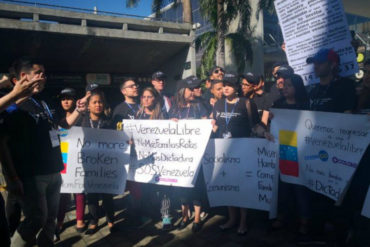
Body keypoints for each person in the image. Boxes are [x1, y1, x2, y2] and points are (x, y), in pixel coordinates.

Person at [0, 57, 85, 247]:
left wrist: (79, 111)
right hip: (32, 175)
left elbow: (60, 126)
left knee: (50, 219)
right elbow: (3, 143)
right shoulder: (11, 105)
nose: (43, 77)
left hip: (54, 170)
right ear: (23, 77)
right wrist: (11, 178)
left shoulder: (42, 101)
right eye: (38, 73)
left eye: (44, 74)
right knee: (35, 219)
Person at [212, 73, 264, 235]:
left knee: (242, 186)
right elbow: (214, 126)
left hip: (243, 151)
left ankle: (243, 221)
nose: (225, 88)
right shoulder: (218, 104)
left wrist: (266, 134)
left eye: (229, 85)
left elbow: (255, 126)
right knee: (229, 186)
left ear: (236, 88)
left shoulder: (246, 103)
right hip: (223, 152)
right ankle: (232, 219)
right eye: (223, 85)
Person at [270, 74, 311, 236]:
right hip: (285, 151)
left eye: (289, 85)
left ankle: (305, 220)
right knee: (283, 186)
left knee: (301, 187)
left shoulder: (306, 105)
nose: (284, 88)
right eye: (283, 85)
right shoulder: (277, 105)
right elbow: (267, 126)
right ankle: (281, 216)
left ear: (297, 87)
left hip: (302, 152)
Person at [169, 76, 209, 233]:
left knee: (197, 186)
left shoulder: (199, 106)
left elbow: (206, 126)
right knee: (182, 187)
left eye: (194, 89)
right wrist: (170, 123)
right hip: (179, 156)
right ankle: (185, 216)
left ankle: (197, 218)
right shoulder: (174, 109)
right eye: (190, 89)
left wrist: (210, 124)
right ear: (182, 91)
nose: (193, 91)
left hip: (196, 155)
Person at [75, 89, 116, 235]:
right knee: (91, 194)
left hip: (105, 164)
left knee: (107, 193)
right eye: (94, 102)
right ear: (88, 105)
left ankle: (111, 219)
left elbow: (116, 141)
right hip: (88, 164)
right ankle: (93, 220)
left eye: (100, 102)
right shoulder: (81, 121)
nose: (98, 105)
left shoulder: (109, 122)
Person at [55, 88, 87, 240]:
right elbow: (54, 141)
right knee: (63, 194)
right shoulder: (57, 120)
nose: (66, 101)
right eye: (63, 99)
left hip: (81, 160)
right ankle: (59, 221)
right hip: (64, 161)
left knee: (79, 191)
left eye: (69, 98)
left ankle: (80, 220)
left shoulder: (83, 118)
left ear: (75, 101)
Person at [307, 48, 357, 113]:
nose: (315, 66)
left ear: (332, 65)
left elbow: (348, 115)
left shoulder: (346, 85)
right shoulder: (313, 91)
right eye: (314, 63)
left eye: (320, 63)